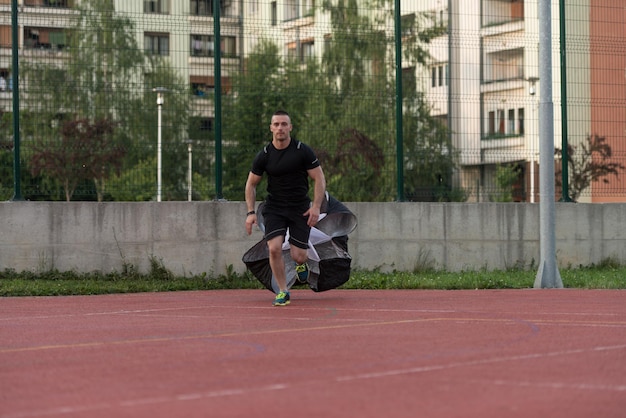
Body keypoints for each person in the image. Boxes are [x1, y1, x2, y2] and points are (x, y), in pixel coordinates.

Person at [245, 110, 326, 306]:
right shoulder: (264, 155)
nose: (280, 128)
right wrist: (250, 212)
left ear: (290, 127)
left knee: (298, 256)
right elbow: (251, 184)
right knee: (273, 248)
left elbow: (319, 178)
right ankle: (283, 291)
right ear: (271, 128)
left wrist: (316, 206)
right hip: (275, 208)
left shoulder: (302, 150)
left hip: (300, 208)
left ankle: (301, 266)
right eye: (276, 124)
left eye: (284, 124)